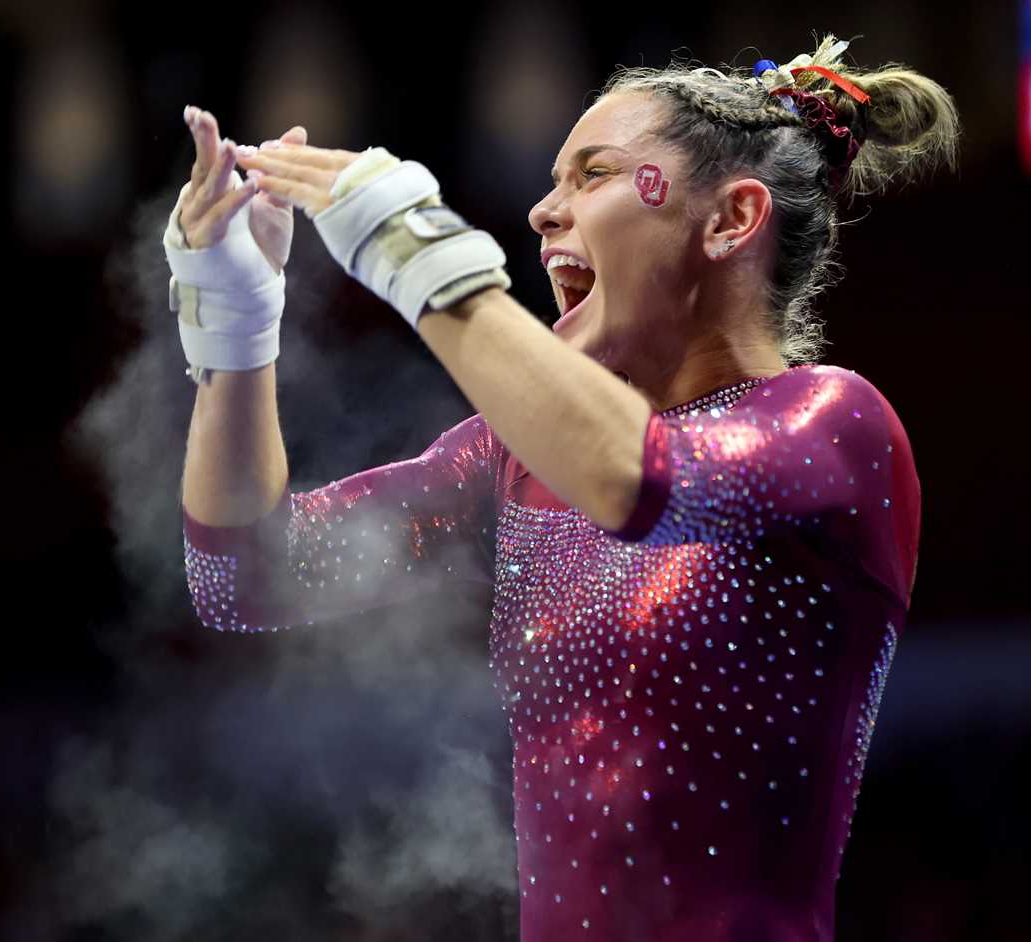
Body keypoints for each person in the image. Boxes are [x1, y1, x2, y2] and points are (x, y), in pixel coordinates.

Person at [167, 35, 957, 941]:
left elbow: (640, 479)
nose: (544, 212)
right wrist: (233, 329)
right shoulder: (515, 460)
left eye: (594, 175)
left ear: (733, 220)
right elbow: (246, 579)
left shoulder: (833, 426)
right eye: (553, 181)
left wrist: (416, 254)